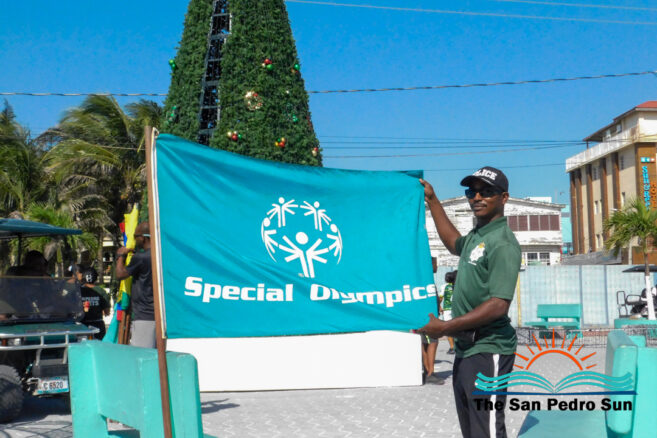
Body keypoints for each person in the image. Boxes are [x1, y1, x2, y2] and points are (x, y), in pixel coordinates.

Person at [418, 166, 521, 438]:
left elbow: (499, 304)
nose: (477, 197)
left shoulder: (502, 243)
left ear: (504, 197)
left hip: (489, 348)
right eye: (471, 192)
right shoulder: (478, 235)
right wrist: (433, 200)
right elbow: (453, 242)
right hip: (468, 349)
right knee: (473, 430)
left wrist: (445, 328)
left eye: (486, 191)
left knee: (486, 430)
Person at [115, 222, 155, 348]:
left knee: (142, 355)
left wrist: (120, 256)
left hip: (144, 315)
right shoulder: (160, 255)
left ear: (142, 238)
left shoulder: (141, 257)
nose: (134, 240)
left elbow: (120, 274)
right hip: (158, 315)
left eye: (135, 236)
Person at [420, 256, 443, 384]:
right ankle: (430, 372)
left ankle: (426, 371)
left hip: (423, 316)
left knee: (424, 343)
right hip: (428, 317)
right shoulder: (427, 280)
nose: (437, 266)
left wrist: (438, 305)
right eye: (435, 264)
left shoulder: (423, 279)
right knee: (432, 342)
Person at [79, 266, 111, 340]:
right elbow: (107, 312)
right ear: (96, 278)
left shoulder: (78, 291)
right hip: (98, 326)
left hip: (82, 325)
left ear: (83, 277)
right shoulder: (101, 291)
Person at [439, 270, 457, 354]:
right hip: (456, 309)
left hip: (447, 310)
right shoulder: (458, 285)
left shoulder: (444, 286)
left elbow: (440, 298)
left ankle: (452, 347)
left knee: (448, 329)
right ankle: (458, 345)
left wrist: (439, 307)